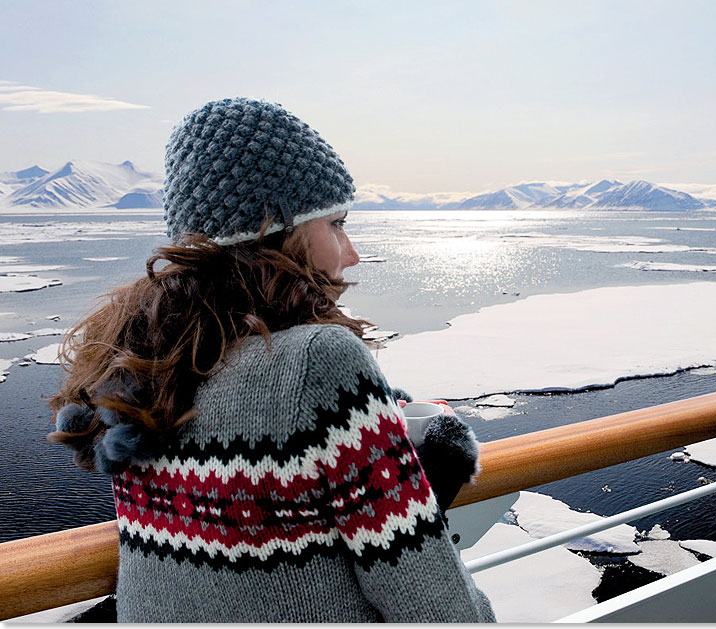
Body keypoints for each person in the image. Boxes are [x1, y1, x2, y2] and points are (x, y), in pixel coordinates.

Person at [47, 97, 496, 623]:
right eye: (336, 224)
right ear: (276, 231)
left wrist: (378, 434)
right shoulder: (318, 360)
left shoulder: (140, 363)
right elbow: (431, 598)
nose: (350, 252)